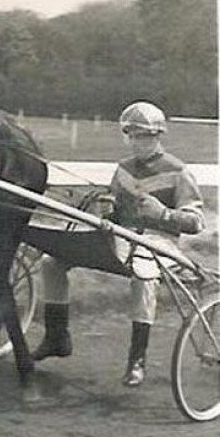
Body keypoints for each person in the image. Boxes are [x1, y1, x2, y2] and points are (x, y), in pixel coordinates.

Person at [32, 101, 205, 387]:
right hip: (120, 240)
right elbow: (115, 210)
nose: (137, 143)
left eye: (143, 137)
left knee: (143, 276)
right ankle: (56, 337)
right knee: (51, 262)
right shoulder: (123, 168)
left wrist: (162, 213)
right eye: (132, 136)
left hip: (160, 243)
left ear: (157, 136)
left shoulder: (178, 171)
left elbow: (196, 222)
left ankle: (137, 359)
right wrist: (105, 208)